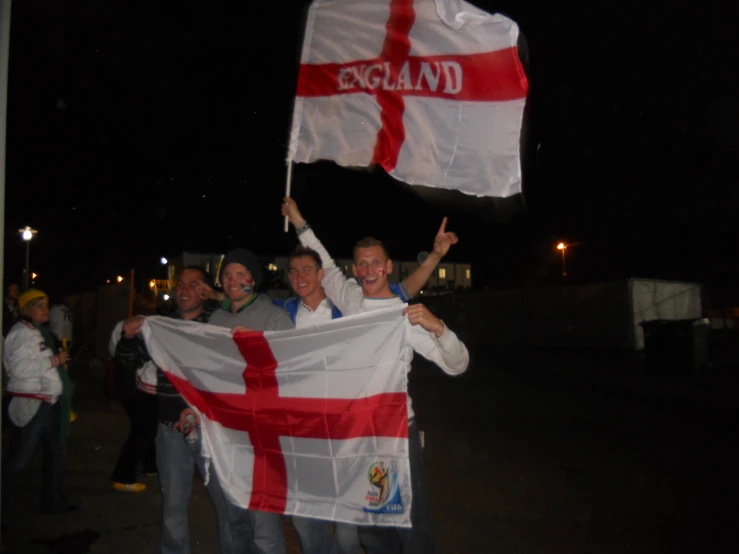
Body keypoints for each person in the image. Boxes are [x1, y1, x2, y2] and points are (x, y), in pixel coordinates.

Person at [282, 198, 469, 554]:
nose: (368, 270)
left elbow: (458, 364)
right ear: (355, 269)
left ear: (387, 268)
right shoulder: (350, 300)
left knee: (409, 525)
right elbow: (320, 255)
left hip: (395, 434)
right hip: (357, 437)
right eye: (362, 264)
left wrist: (439, 328)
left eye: (376, 264)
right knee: (372, 529)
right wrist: (298, 220)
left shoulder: (404, 315)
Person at [115, 266, 247, 554]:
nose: (185, 290)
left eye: (194, 284)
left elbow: (244, 305)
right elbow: (127, 362)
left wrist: (215, 295)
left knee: (228, 507)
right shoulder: (160, 326)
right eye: (181, 284)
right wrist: (127, 338)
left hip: (212, 432)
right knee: (173, 509)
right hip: (170, 431)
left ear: (204, 290)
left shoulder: (218, 323)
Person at [205, 248, 294, 554]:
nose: (232, 280)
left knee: (264, 529)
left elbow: (291, 371)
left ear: (253, 280)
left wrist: (256, 347)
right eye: (227, 274)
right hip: (223, 436)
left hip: (261, 439)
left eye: (240, 274)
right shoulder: (214, 319)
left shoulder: (275, 317)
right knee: (233, 522)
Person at [1, 289, 75, 515]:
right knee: (17, 460)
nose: (46, 309)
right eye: (41, 305)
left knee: (55, 456)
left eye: (46, 304)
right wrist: (55, 360)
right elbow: (19, 369)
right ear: (28, 308)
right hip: (32, 405)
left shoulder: (34, 332)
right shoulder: (22, 334)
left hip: (47, 403)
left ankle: (53, 503)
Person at [108, 292, 159, 493]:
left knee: (144, 427)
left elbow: (113, 351)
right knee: (144, 429)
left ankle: (150, 466)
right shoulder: (152, 326)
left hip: (124, 385)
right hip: (143, 385)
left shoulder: (121, 324)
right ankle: (123, 475)